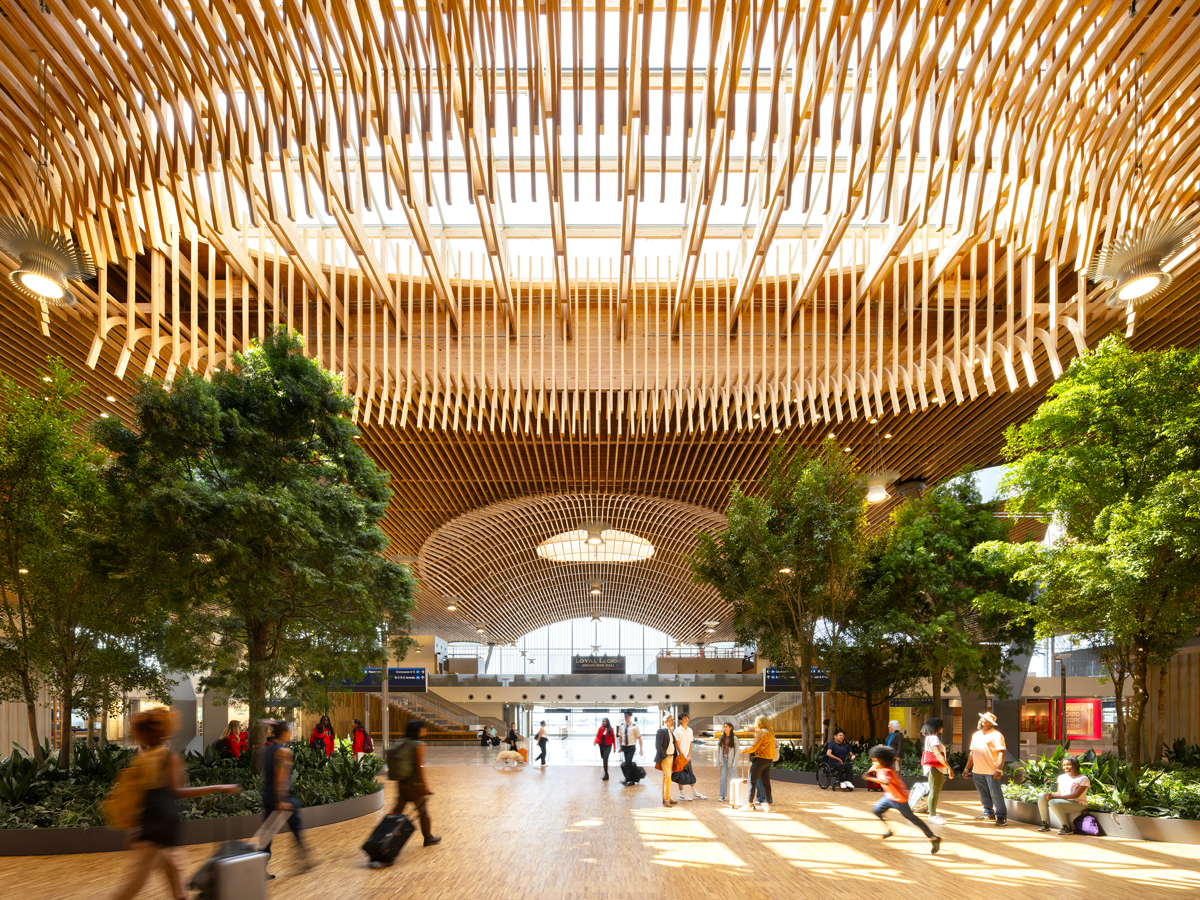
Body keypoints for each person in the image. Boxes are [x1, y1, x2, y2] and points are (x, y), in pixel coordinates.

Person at [108, 708, 241, 900]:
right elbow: (176, 792)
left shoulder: (143, 760)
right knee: (135, 884)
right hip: (163, 826)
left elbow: (139, 799)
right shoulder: (167, 758)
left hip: (156, 827)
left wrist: (134, 830)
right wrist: (219, 787)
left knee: (174, 877)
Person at [261, 720, 316, 876]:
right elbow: (281, 779)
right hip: (280, 797)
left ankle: (259, 869)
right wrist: (282, 801)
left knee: (267, 835)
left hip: (267, 795)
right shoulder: (283, 752)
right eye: (289, 731)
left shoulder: (268, 750)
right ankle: (304, 859)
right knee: (296, 826)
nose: (291, 734)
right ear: (284, 733)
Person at [865, 745, 941, 855]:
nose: (873, 760)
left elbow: (886, 781)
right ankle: (889, 830)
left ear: (882, 760)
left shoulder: (887, 770)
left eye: (875, 758)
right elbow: (874, 766)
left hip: (900, 799)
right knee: (876, 810)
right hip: (889, 796)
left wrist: (869, 778)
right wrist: (874, 762)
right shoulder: (880, 765)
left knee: (913, 819)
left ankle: (934, 837)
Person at [387, 718, 442, 846]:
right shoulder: (419, 744)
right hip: (414, 785)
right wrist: (424, 786)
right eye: (423, 727)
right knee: (423, 811)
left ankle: (385, 835)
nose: (425, 729)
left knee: (397, 810)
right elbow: (419, 766)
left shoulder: (401, 742)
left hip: (402, 783)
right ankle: (428, 838)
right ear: (418, 730)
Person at [963, 711, 1008, 826]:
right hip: (977, 770)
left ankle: (1001, 815)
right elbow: (972, 753)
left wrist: (999, 769)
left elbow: (1001, 753)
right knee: (983, 794)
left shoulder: (996, 735)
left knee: (995, 793)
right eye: (980, 720)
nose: (981, 723)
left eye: (984, 721)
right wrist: (967, 768)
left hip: (991, 770)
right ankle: (988, 812)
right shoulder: (975, 735)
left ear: (990, 724)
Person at [1037, 755, 1090, 834]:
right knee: (1042, 798)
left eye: (1069, 764)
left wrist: (1055, 796)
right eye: (1064, 765)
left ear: (1076, 765)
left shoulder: (1083, 778)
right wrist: (1050, 795)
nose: (1066, 767)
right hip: (1064, 801)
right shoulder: (1061, 777)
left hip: (1078, 803)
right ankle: (1045, 824)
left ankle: (1067, 827)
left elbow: (1075, 795)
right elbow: (1059, 793)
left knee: (1053, 802)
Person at [920, 718, 954, 824]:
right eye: (941, 725)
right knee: (934, 791)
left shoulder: (929, 738)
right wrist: (949, 768)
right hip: (935, 768)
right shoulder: (934, 738)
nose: (943, 727)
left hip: (933, 767)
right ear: (937, 726)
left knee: (935, 791)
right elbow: (938, 755)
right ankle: (932, 816)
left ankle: (933, 813)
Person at [738, 715, 775, 812]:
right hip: (768, 760)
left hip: (760, 760)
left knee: (751, 781)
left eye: (755, 722)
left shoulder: (760, 732)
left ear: (760, 723)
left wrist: (744, 750)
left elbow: (754, 747)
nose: (754, 724)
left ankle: (749, 805)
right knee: (766, 782)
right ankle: (767, 804)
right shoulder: (770, 732)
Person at [672, 714, 705, 800]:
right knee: (680, 775)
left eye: (687, 718)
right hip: (680, 757)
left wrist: (689, 755)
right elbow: (677, 743)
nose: (687, 719)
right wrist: (681, 755)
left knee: (691, 773)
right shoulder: (677, 730)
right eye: (685, 718)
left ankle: (695, 793)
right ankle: (681, 794)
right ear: (680, 720)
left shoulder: (690, 730)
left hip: (687, 757)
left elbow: (690, 743)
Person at [653, 714, 678, 808]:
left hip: (671, 757)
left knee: (666, 778)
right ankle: (667, 800)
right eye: (670, 720)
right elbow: (658, 745)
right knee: (668, 778)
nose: (672, 721)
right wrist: (665, 756)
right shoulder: (662, 731)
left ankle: (666, 797)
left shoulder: (670, 731)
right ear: (665, 721)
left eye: (673, 720)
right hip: (666, 758)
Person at [617, 712, 643, 784]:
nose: (626, 717)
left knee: (628, 762)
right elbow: (621, 737)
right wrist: (620, 747)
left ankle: (628, 779)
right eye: (625, 716)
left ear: (630, 717)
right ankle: (632, 779)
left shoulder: (635, 727)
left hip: (631, 747)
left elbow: (639, 738)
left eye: (628, 716)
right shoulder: (621, 726)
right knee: (627, 763)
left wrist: (641, 749)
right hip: (625, 747)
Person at [716, 723, 739, 802]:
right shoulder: (721, 738)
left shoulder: (735, 738)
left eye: (726, 727)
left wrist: (735, 763)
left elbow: (737, 751)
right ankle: (722, 795)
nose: (725, 728)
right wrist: (718, 761)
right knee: (723, 778)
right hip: (723, 760)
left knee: (733, 778)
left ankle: (735, 796)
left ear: (730, 728)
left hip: (731, 760)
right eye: (724, 727)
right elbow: (719, 750)